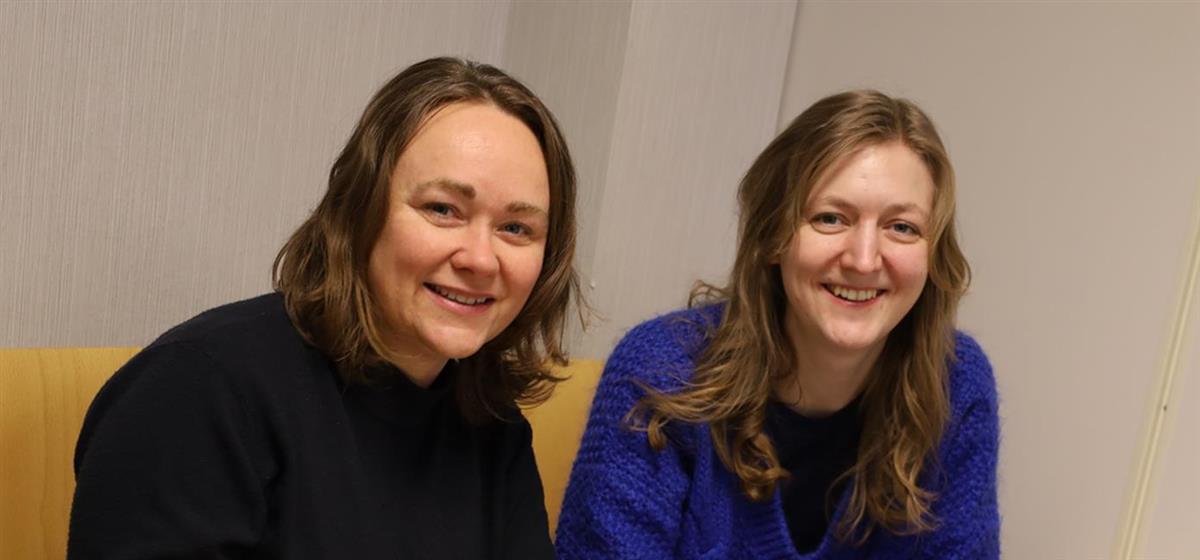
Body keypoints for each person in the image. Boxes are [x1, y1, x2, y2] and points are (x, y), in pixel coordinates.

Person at [69, 57, 580, 559]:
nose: (481, 259)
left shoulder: (492, 424)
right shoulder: (198, 388)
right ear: (359, 210)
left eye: (516, 228)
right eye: (442, 209)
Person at [555, 90, 998, 558]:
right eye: (831, 218)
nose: (864, 259)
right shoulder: (660, 372)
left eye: (902, 227)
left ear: (933, 255)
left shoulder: (956, 386)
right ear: (772, 237)